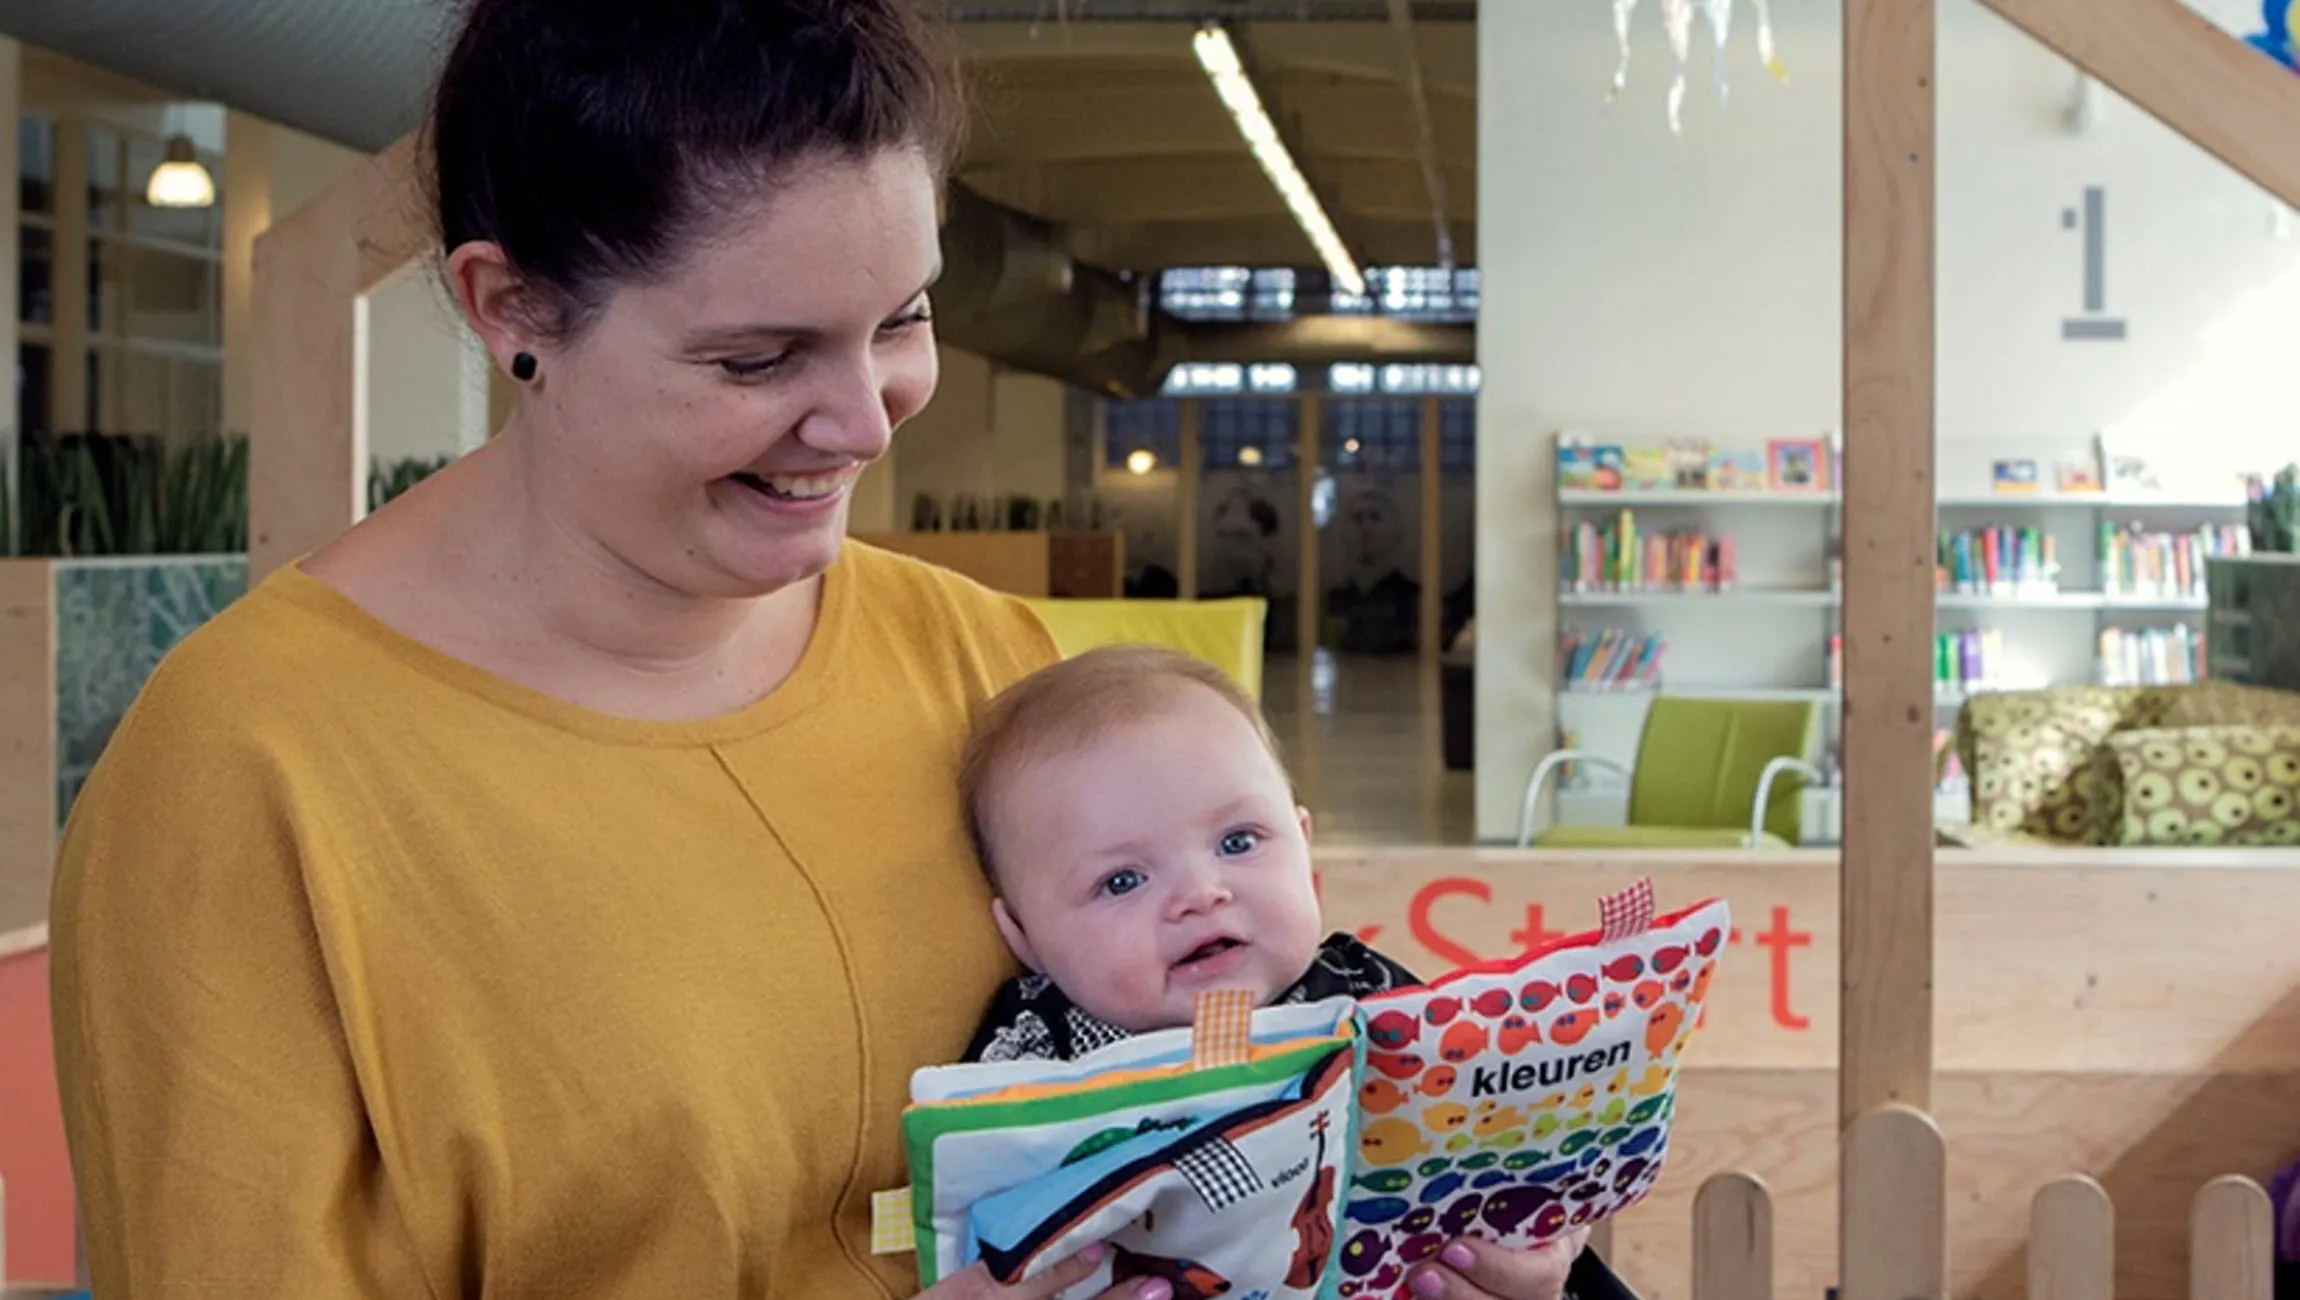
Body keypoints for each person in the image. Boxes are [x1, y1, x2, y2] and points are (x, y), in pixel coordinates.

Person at [42, 3, 1603, 1299]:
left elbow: (1249, 1093)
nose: (860, 424)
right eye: (756, 356)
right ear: (508, 303)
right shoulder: (252, 771)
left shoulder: (990, 671)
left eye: (901, 322)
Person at [956, 647, 1634, 1300]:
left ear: (1305, 851)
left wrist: (1536, 1227)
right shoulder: (1028, 1057)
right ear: (1025, 938)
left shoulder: (1371, 997)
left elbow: (1492, 1139)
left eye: (1238, 842)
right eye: (1122, 880)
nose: (1202, 892)